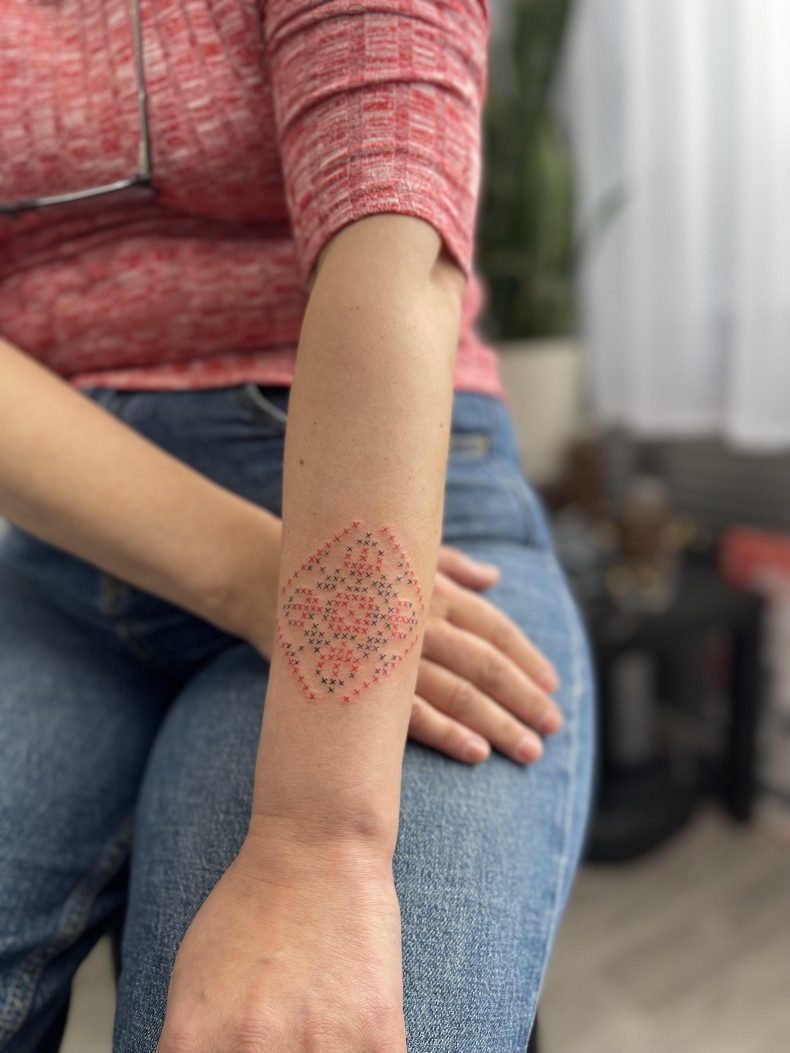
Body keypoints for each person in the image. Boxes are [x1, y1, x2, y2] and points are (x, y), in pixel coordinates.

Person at [0, 1, 595, 1050]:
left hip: (388, 494)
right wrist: (249, 574)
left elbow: (389, 235)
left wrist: (323, 836)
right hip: (72, 528)